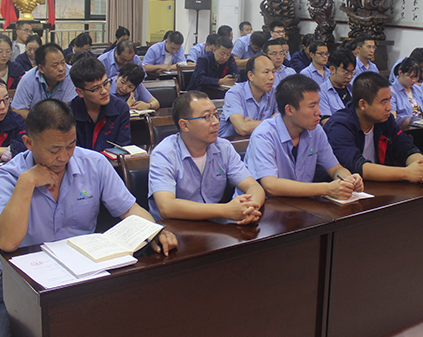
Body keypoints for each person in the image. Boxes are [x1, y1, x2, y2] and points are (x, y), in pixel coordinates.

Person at [0, 99, 177, 337]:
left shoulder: (93, 163)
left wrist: (154, 230)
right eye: (54, 149)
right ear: (29, 143)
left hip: (86, 272)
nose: (64, 157)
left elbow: (130, 210)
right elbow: (7, 242)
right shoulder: (9, 176)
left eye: (71, 145)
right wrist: (27, 183)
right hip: (23, 280)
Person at [148, 91, 265, 223]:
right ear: (184, 125)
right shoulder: (164, 154)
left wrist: (250, 207)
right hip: (175, 227)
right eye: (207, 117)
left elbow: (253, 187)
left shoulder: (223, 148)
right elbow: (166, 207)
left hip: (213, 226)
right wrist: (225, 210)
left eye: (216, 114)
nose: (215, 122)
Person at [244, 75, 364, 200]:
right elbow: (271, 186)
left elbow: (335, 169)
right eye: (312, 106)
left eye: (318, 104)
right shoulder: (264, 135)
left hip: (300, 203)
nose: (318, 112)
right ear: (290, 110)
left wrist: (348, 180)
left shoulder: (316, 130)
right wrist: (327, 188)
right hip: (262, 206)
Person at [324, 72, 423, 183]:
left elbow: (405, 147)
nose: (389, 107)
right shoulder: (340, 126)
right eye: (383, 102)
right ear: (363, 104)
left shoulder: (385, 120)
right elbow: (356, 166)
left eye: (390, 100)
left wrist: (421, 166)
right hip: (349, 188)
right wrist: (407, 173)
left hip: (382, 185)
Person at [68, 56, 131, 152]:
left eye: (106, 83)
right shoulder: (68, 114)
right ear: (80, 92)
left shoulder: (121, 108)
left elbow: (122, 148)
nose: (104, 91)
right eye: (96, 88)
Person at [11, 43, 77, 118]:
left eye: (63, 63)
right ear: (41, 68)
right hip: (36, 123)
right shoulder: (28, 80)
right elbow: (17, 109)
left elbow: (69, 108)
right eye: (55, 65)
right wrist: (41, 120)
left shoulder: (72, 74)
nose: (61, 69)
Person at [218, 55, 277, 138]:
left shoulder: (275, 93)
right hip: (232, 143)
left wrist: (251, 124)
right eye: (266, 72)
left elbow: (283, 123)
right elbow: (242, 128)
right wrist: (272, 121)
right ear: (250, 76)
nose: (271, 77)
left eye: (273, 72)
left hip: (262, 141)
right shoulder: (235, 93)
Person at [318, 49, 356, 123]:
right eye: (346, 73)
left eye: (352, 73)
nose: (349, 77)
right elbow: (327, 122)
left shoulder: (353, 89)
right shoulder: (321, 92)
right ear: (332, 70)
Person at [390, 58, 423, 127]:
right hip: (404, 128)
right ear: (401, 73)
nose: (414, 80)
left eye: (417, 77)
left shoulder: (418, 89)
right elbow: (393, 120)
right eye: (411, 77)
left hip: (421, 127)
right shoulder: (391, 91)